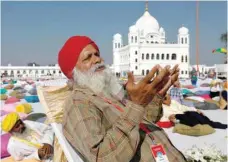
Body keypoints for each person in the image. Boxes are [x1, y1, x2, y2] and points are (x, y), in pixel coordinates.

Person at [57, 36, 187, 162]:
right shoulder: (78, 103)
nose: (97, 59)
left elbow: (142, 122)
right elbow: (102, 158)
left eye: (97, 54)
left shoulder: (107, 92)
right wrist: (136, 105)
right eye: (87, 58)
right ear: (73, 71)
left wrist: (156, 95)